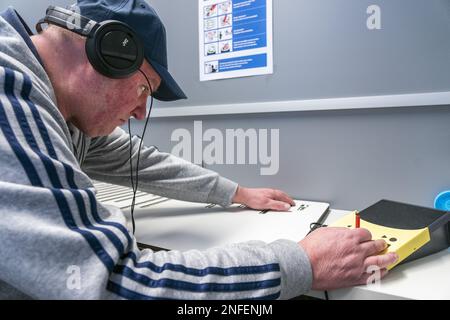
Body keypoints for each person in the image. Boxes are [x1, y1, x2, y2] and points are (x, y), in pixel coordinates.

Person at [0, 0, 398, 300]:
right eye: (143, 87)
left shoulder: (66, 114)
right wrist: (303, 263)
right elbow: (114, 282)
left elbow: (140, 160)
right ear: (108, 53)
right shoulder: (11, 95)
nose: (140, 110)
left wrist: (235, 192)